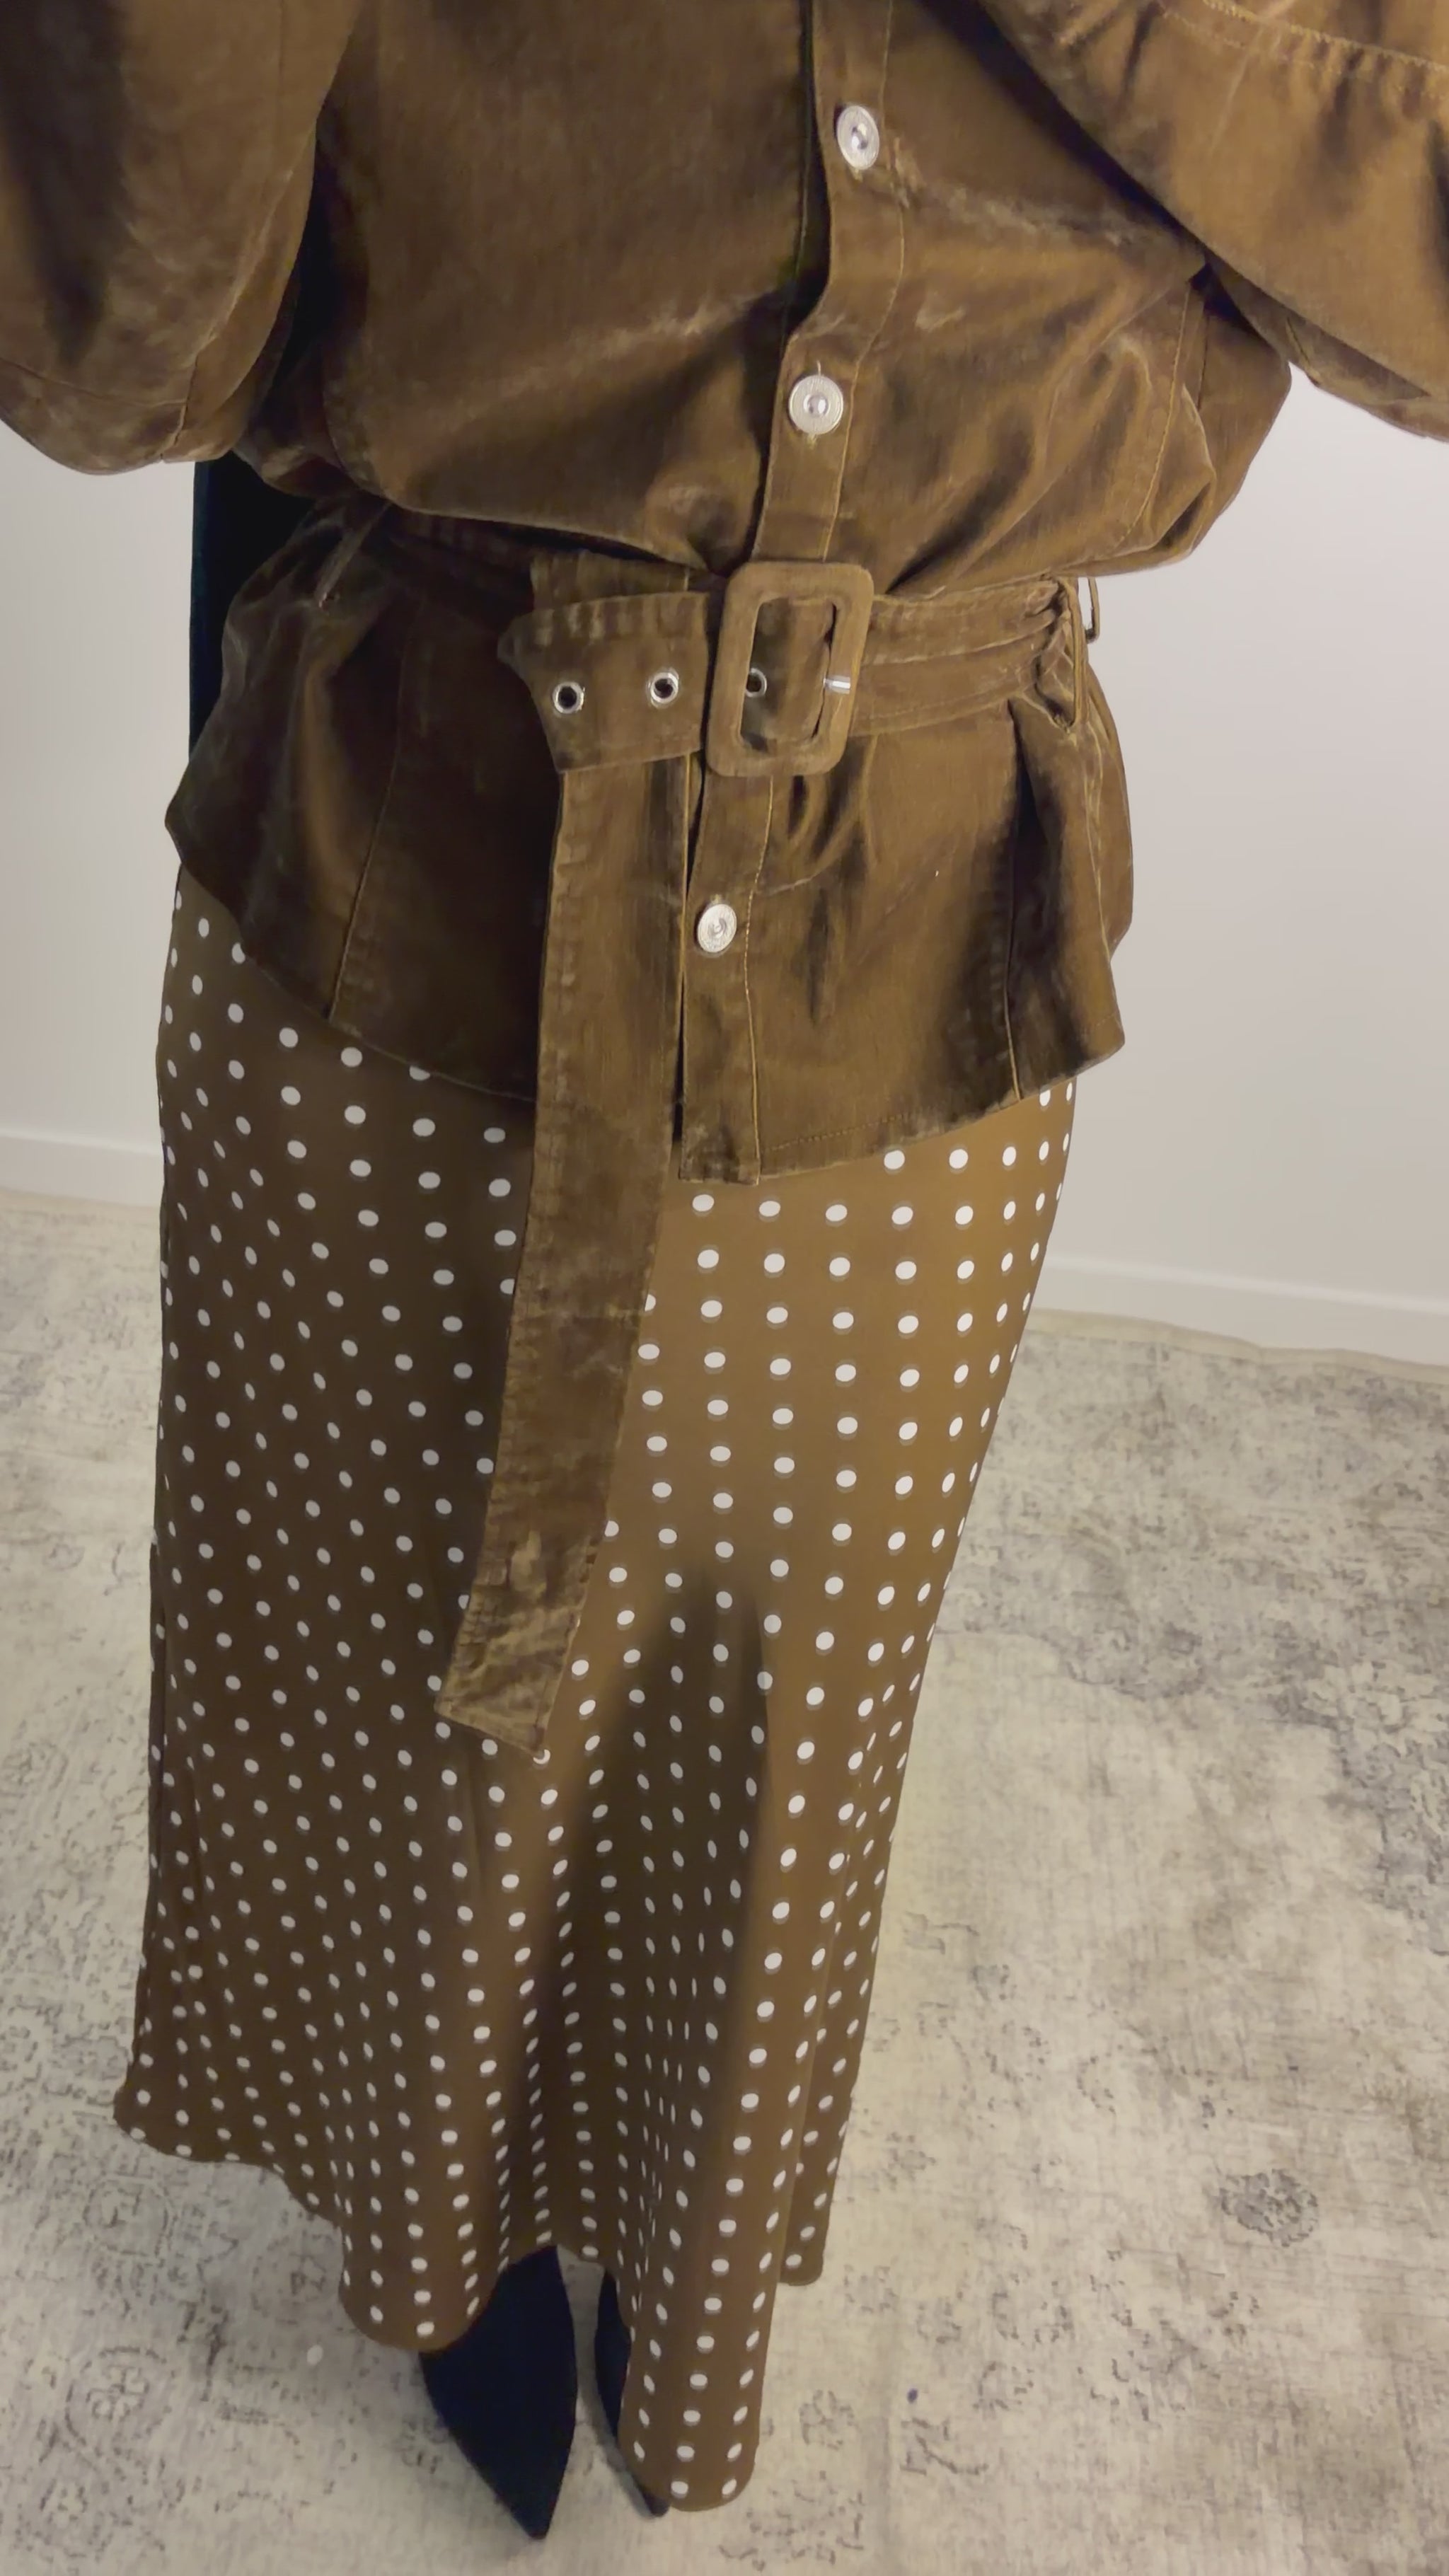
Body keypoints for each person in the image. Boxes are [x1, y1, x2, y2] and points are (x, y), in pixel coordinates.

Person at [2, 0, 1443, 2540]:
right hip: (401, 904)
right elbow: (115, 364)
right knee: (388, 1684)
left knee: (777, 1720)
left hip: (908, 958)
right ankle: (437, 2230)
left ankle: (682, 2236)